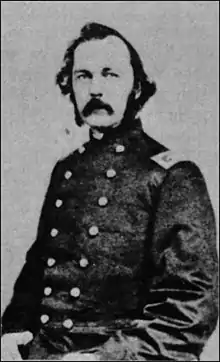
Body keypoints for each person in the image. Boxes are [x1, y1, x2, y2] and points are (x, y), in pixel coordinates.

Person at [1, 22, 218, 361]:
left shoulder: (173, 176)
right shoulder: (66, 169)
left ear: (136, 88)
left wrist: (104, 359)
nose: (95, 89)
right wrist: (12, 333)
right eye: (83, 76)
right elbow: (37, 272)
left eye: (110, 75)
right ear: (69, 87)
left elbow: (189, 307)